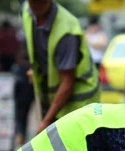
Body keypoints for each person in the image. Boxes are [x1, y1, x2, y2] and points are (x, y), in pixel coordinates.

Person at [21, 0, 100, 133]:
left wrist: (46, 121)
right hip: (55, 96)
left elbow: (67, 82)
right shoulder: (26, 11)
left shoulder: (66, 31)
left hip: (78, 101)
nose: (36, 6)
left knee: (70, 148)